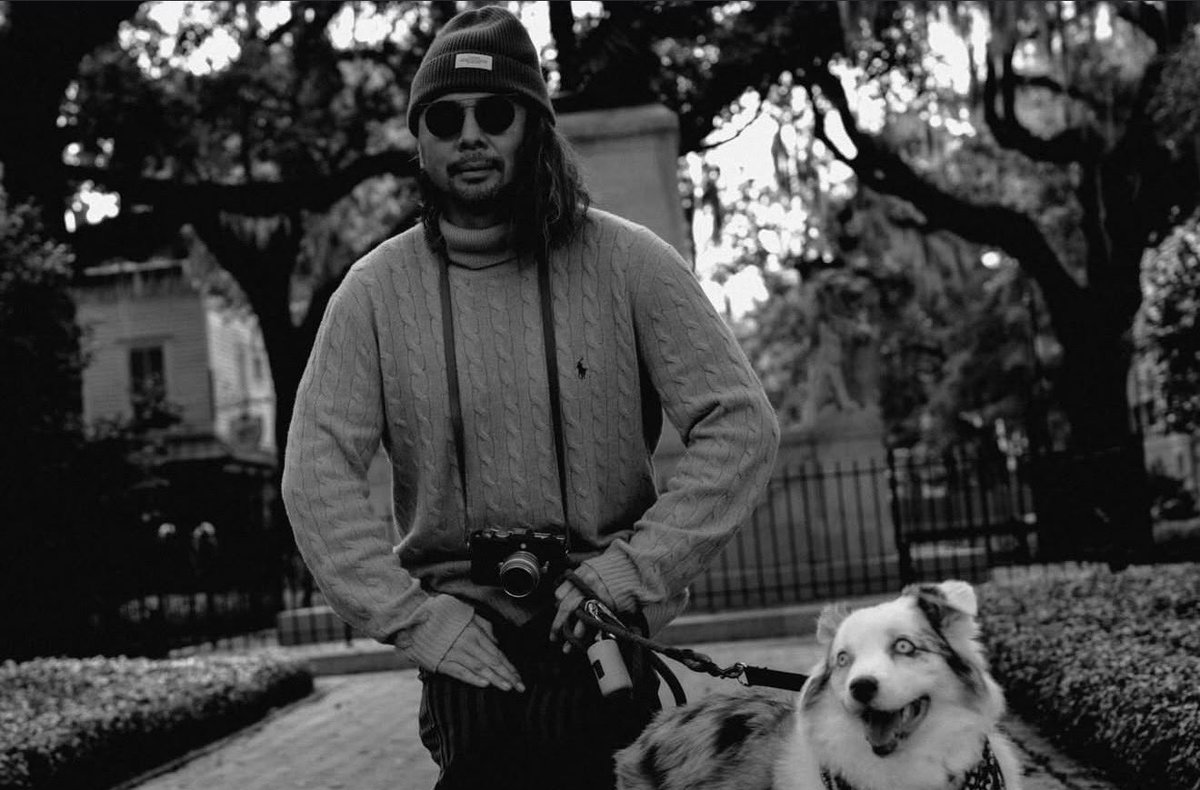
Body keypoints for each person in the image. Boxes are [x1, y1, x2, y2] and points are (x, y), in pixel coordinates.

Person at [282, 6, 780, 789]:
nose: (469, 135)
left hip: (602, 619)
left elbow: (743, 426)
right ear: (420, 139)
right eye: (445, 118)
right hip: (464, 630)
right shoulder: (372, 294)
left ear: (534, 127)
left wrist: (631, 572)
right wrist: (416, 619)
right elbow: (313, 474)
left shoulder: (630, 263)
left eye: (495, 113)